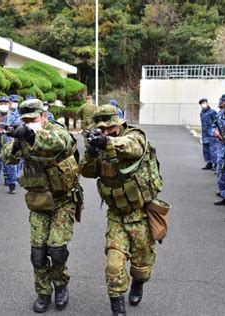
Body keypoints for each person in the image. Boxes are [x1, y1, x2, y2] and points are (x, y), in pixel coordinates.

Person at [0, 99, 82, 313]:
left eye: (33, 119)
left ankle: (61, 285)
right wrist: (17, 143)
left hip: (63, 201)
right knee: (37, 253)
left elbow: (60, 143)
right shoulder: (23, 136)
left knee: (56, 250)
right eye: (25, 120)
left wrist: (30, 135)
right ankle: (43, 292)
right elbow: (6, 158)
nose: (29, 123)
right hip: (38, 202)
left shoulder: (57, 131)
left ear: (44, 117)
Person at [80, 105, 159, 316]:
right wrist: (90, 151)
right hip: (116, 215)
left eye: (109, 127)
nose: (105, 131)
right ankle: (118, 310)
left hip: (141, 213)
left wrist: (108, 143)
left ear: (119, 124)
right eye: (101, 129)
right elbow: (86, 171)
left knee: (142, 266)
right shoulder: (99, 143)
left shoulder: (134, 135)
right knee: (113, 266)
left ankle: (138, 284)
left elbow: (132, 147)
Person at [0, 96, 20, 194]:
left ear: (9, 104)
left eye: (5, 103)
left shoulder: (14, 116)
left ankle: (12, 185)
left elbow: (18, 129)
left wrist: (8, 130)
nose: (3, 105)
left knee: (11, 166)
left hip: (9, 145)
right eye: (1, 103)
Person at [199, 97, 217, 170]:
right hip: (204, 134)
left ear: (207, 103)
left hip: (211, 134)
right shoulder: (201, 113)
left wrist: (215, 131)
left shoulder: (212, 112)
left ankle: (215, 164)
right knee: (206, 150)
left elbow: (216, 122)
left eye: (204, 102)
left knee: (213, 150)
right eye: (201, 103)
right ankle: (209, 163)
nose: (203, 104)